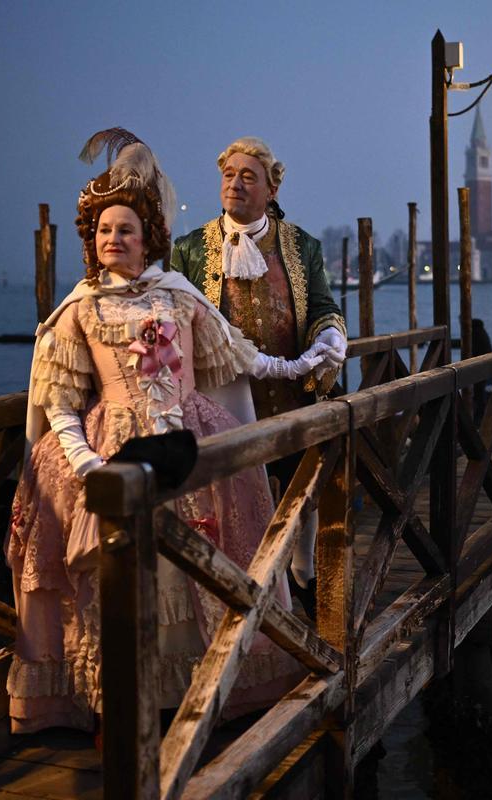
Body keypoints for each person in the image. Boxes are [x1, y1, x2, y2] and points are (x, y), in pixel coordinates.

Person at [5, 129, 322, 735]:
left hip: (185, 444)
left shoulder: (178, 294)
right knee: (117, 570)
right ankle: (117, 698)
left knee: (204, 557)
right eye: (104, 231)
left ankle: (198, 691)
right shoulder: (78, 310)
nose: (114, 240)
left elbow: (239, 356)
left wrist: (300, 364)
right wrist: (83, 462)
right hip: (109, 452)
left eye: (125, 230)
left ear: (148, 237)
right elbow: (62, 403)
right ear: (91, 240)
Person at [171, 136, 347, 616]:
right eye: (229, 175)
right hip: (224, 401)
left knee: (301, 495)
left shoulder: (301, 245)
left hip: (292, 393)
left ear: (271, 189)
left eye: (248, 176)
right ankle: (243, 600)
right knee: (238, 505)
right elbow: (174, 319)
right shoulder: (189, 249)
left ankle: (303, 577)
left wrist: (330, 335)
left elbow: (323, 308)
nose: (235, 184)